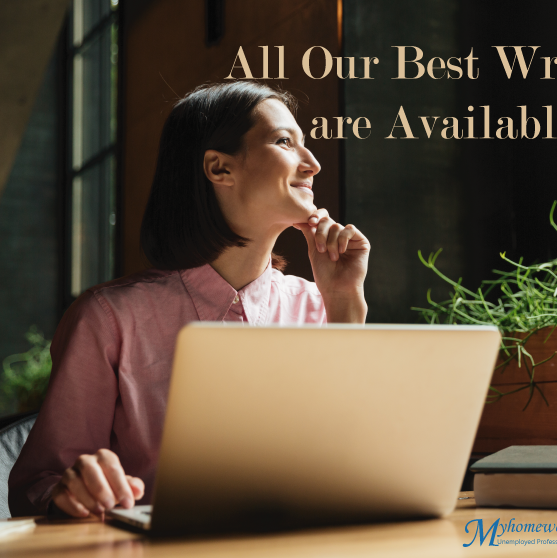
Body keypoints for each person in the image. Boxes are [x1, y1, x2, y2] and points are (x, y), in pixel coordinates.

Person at [8, 81, 370, 518]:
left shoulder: (320, 305)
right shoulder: (109, 319)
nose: (311, 164)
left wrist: (345, 301)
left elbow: (359, 463)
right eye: (284, 142)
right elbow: (35, 486)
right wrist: (73, 493)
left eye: (305, 145)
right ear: (219, 168)